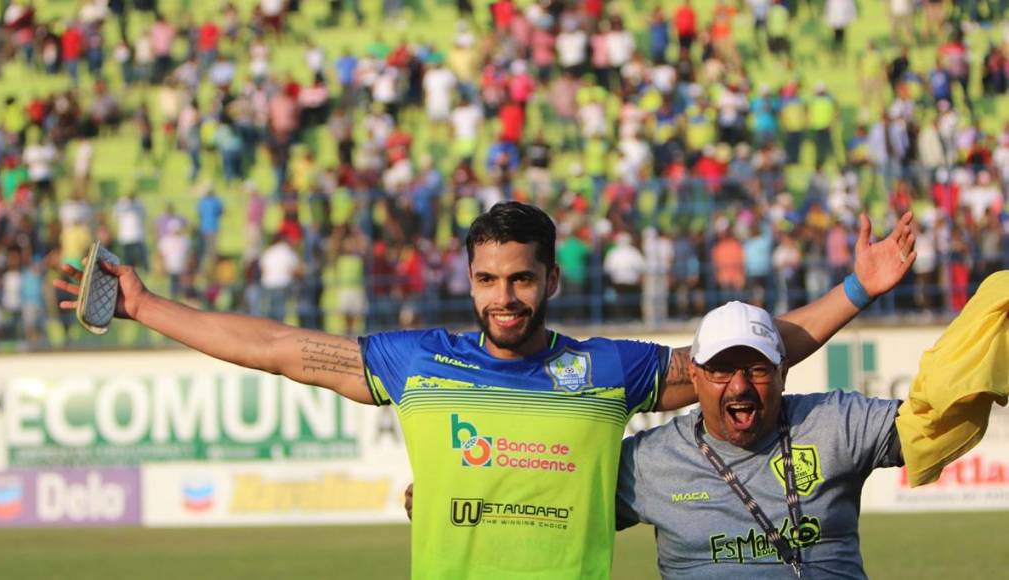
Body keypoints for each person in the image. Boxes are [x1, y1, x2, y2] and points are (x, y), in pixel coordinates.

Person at [55, 202, 916, 579]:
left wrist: (857, 290)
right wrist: (144, 304)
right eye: (489, 279)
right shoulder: (415, 363)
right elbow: (277, 348)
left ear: (550, 279)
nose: (505, 297)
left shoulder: (607, 369)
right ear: (469, 281)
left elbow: (744, 363)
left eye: (522, 279)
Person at [615, 282, 1007, 578]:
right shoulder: (649, 461)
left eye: (756, 369)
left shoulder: (833, 422)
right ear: (695, 378)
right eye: (721, 369)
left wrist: (996, 308)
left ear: (783, 372)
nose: (739, 386)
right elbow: (564, 512)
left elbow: (928, 424)